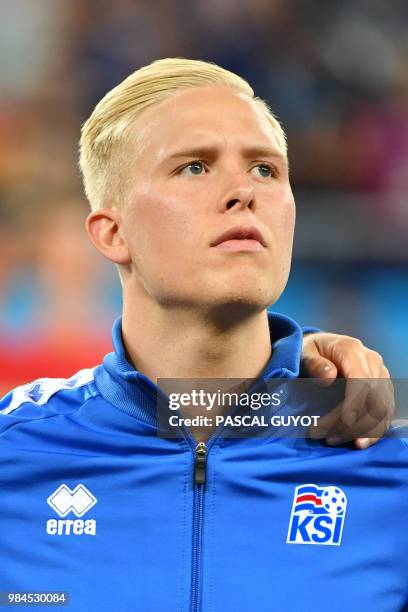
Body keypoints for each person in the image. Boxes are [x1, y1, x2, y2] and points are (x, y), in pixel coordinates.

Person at [0, 59, 404, 612]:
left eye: (266, 170)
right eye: (194, 167)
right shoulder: (15, 456)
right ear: (112, 232)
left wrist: (289, 389)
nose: (243, 191)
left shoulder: (385, 458)